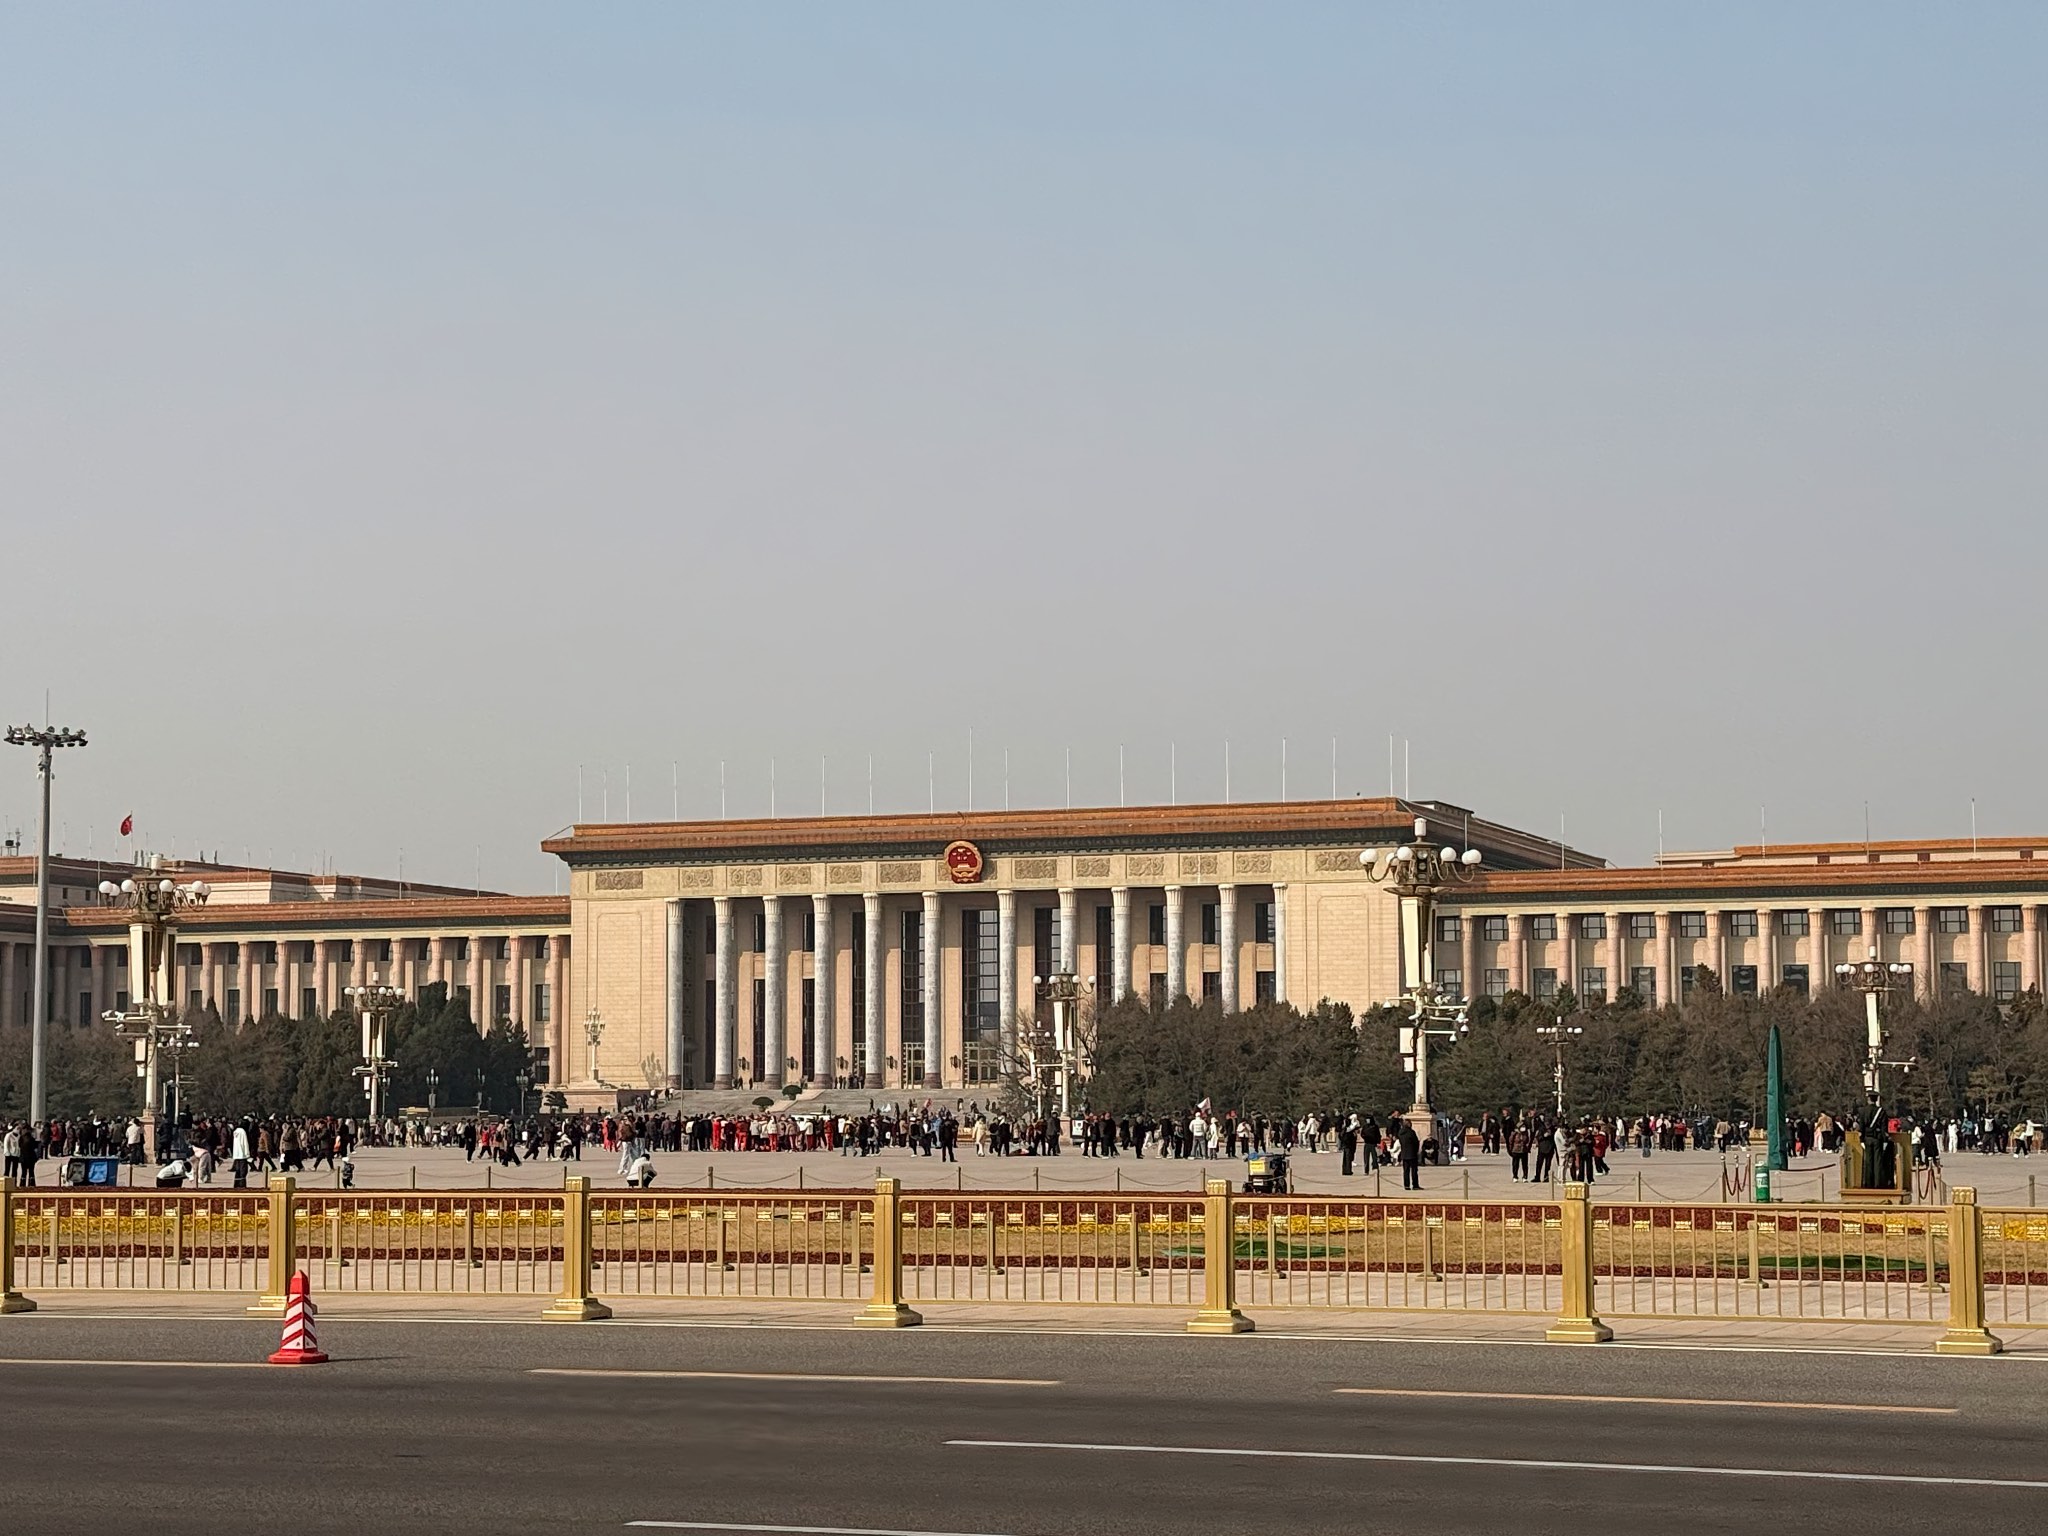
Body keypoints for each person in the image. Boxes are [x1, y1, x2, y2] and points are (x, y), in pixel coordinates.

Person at [1396, 1118, 1422, 1192]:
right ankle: (1415, 1185)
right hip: (1412, 1153)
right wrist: (1416, 1151)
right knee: (1414, 1170)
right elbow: (1416, 1142)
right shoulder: (1411, 1132)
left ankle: (1406, 1185)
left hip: (1404, 1153)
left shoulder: (1400, 1132)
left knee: (1406, 1171)